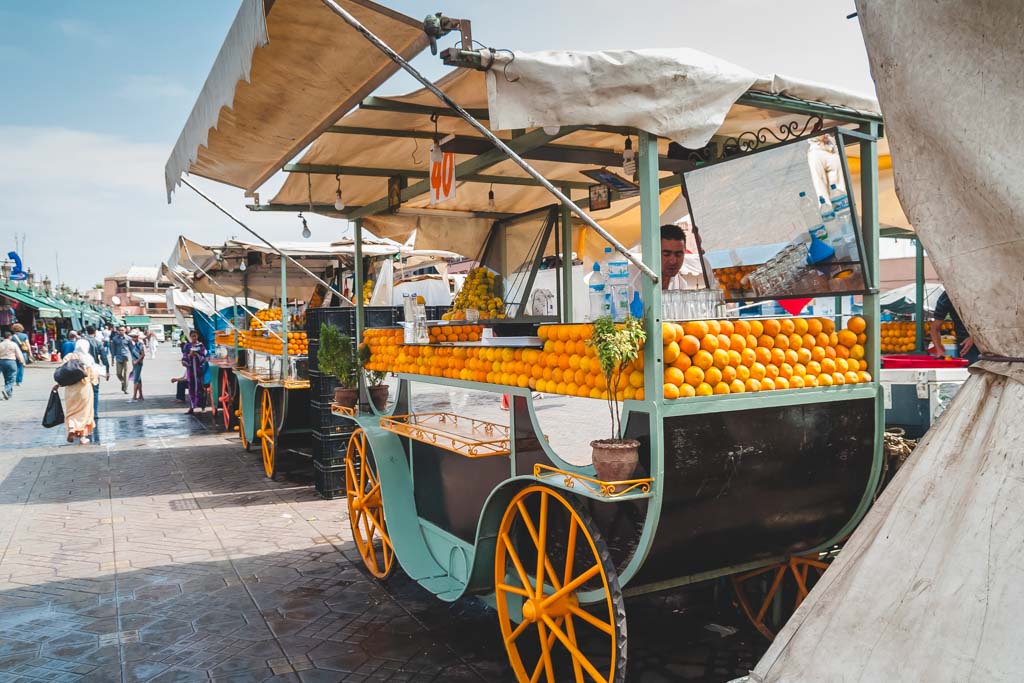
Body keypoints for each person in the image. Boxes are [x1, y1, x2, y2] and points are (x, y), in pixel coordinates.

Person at [55, 352, 98, 444]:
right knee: (85, 412)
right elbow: (93, 375)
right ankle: (83, 437)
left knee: (71, 411)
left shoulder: (68, 356)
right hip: (84, 388)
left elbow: (63, 373)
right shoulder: (87, 357)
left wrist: (58, 385)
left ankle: (72, 427)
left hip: (70, 389)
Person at [930, 290, 980, 364]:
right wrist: (939, 350)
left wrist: (975, 336)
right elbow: (935, 327)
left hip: (990, 341)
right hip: (965, 345)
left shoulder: (981, 291)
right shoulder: (946, 297)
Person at [181, 330, 207, 414]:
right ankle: (191, 407)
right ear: (190, 337)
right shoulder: (187, 346)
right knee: (191, 388)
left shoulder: (200, 346)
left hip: (199, 371)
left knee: (201, 388)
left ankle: (202, 407)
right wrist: (190, 356)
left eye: (195, 336)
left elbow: (203, 358)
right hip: (191, 371)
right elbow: (184, 358)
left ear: (197, 336)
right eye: (192, 336)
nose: (194, 338)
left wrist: (197, 355)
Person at [0, 331, 25, 400]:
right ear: (10, 337)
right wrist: (22, 361)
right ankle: (7, 390)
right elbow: (18, 353)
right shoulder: (13, 344)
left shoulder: (1, 344)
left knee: (6, 378)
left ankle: (9, 394)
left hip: (1, 361)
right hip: (11, 361)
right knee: (11, 378)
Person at [110, 326, 131, 394]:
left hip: (126, 357)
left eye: (122, 330)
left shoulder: (128, 338)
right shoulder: (115, 338)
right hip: (118, 357)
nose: (121, 331)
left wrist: (134, 358)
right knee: (118, 373)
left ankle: (126, 388)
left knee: (126, 374)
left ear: (125, 330)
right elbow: (113, 349)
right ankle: (122, 382)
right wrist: (112, 359)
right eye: (119, 330)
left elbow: (132, 348)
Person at [128, 330, 146, 402]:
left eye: (135, 337)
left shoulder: (139, 344)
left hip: (138, 363)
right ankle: (141, 396)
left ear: (138, 337)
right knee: (138, 379)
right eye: (132, 337)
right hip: (136, 363)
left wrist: (137, 361)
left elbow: (143, 354)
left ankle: (134, 396)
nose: (133, 338)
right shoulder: (135, 344)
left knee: (135, 380)